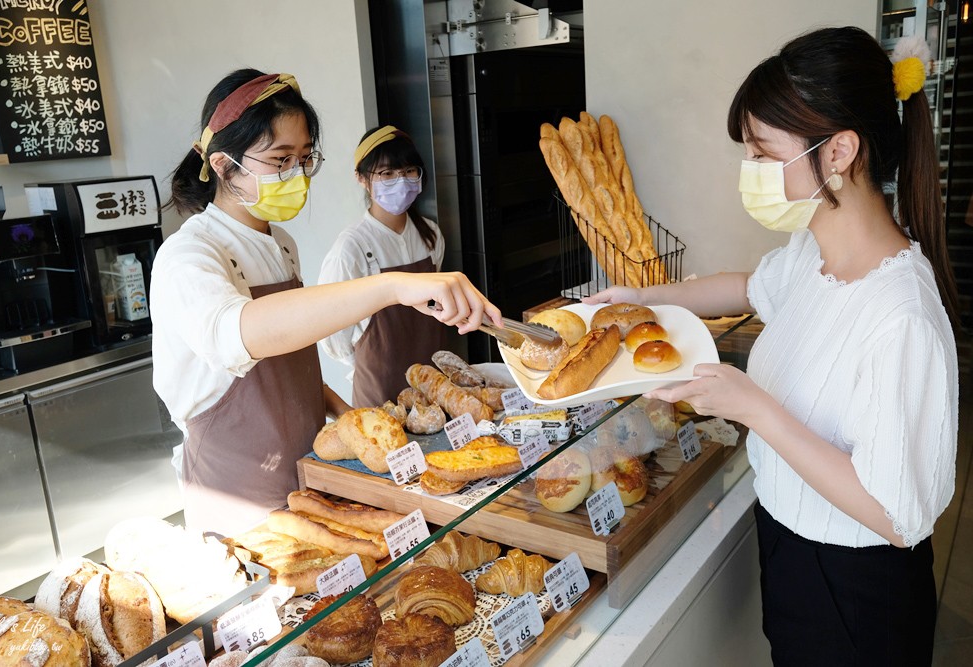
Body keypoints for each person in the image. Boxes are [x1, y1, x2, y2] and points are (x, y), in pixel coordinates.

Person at [585, 27, 959, 665]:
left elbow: (897, 514)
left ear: (839, 151)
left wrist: (753, 407)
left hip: (855, 591)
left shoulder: (901, 317)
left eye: (762, 152)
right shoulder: (813, 252)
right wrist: (643, 300)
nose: (750, 172)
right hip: (789, 546)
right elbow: (746, 286)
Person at [150, 70, 499, 535]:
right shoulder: (189, 254)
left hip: (310, 469)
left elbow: (291, 369)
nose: (295, 173)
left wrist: (349, 417)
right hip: (238, 490)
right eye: (279, 159)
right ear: (221, 164)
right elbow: (240, 334)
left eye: (303, 158)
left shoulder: (282, 245)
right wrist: (389, 287)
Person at [317, 126, 447, 407]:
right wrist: (369, 362)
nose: (401, 181)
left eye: (409, 171)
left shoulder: (431, 236)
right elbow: (331, 334)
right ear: (362, 179)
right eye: (387, 174)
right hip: (379, 392)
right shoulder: (350, 249)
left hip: (433, 387)